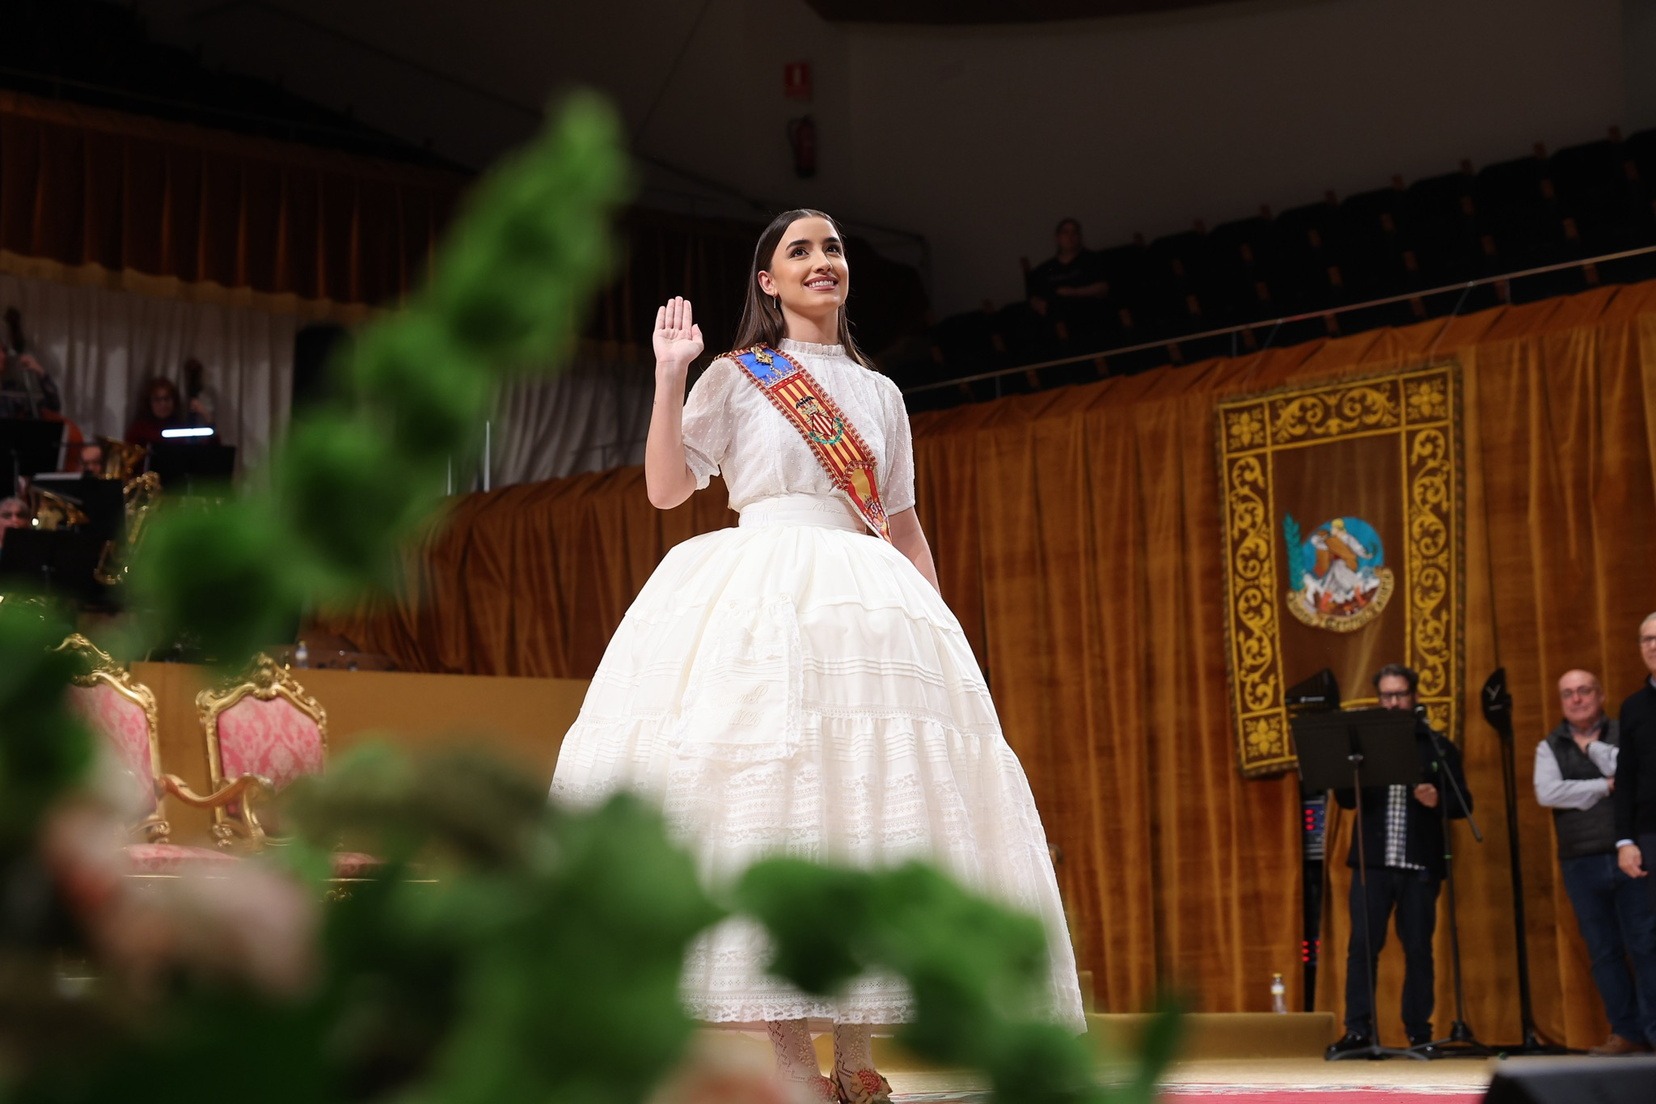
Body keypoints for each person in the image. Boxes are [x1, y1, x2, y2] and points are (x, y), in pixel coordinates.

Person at [549, 209, 1084, 1103]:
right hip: (758, 593)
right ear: (768, 281)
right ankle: (796, 1062)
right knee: (778, 799)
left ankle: (857, 1053)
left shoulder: (881, 396)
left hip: (864, 600)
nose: (820, 261)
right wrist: (668, 377)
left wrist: (932, 619)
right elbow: (667, 487)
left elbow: (903, 522)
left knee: (864, 803)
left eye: (832, 248)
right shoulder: (734, 376)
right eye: (799, 251)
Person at [1326, 663, 1472, 1059]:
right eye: (1386, 696)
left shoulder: (1437, 745)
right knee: (1362, 948)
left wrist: (1437, 799)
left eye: (1400, 695)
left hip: (1419, 867)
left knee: (1419, 949)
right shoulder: (1364, 746)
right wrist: (1347, 767)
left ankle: (1418, 1032)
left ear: (1415, 697)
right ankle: (1357, 1030)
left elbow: (1464, 806)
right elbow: (1346, 801)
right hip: (1373, 865)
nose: (1392, 703)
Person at [1535, 669, 1656, 1055]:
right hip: (1580, 861)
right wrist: (1604, 785)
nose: (1576, 699)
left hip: (1631, 854)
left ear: (1600, 695)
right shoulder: (1549, 745)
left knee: (1646, 944)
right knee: (1603, 951)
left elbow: (1633, 776)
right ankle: (1627, 1032)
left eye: (1584, 690)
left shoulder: (1628, 730)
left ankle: (1654, 1031)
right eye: (1567, 693)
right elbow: (1548, 792)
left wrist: (1593, 780)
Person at [1616, 614, 1656, 916]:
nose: (1653, 646)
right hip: (1651, 832)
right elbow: (1626, 778)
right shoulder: (1633, 708)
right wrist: (1625, 840)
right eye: (1647, 639)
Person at [1025, 218, 1108, 322]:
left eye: (1074, 232)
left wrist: (1074, 292)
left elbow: (1103, 287)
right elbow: (1034, 294)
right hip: (1054, 318)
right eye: (1065, 232)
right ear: (1057, 237)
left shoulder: (1091, 259)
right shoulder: (1045, 269)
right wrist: (1036, 303)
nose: (1070, 237)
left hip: (1088, 312)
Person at [0, 306, 63, 420]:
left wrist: (40, 371)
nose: (3, 355)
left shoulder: (14, 392)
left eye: (3, 351)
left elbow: (53, 407)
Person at [124, 377, 187, 447]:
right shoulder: (139, 431)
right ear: (149, 403)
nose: (163, 404)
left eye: (167, 399)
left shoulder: (182, 430)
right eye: (157, 400)